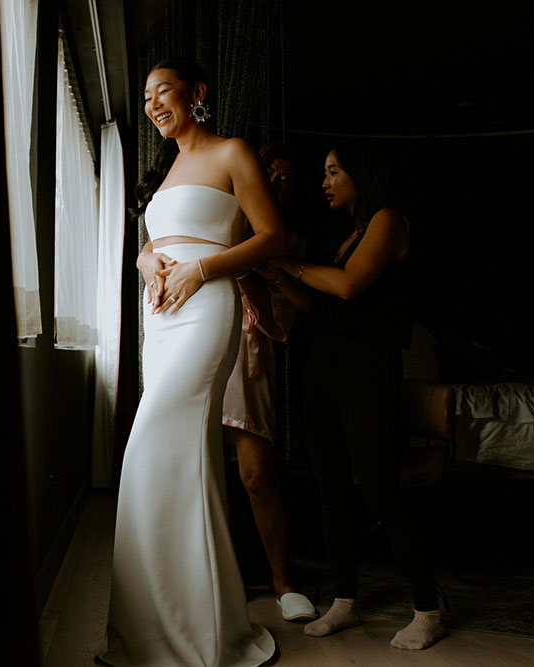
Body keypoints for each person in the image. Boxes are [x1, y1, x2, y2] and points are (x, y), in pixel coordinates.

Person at [99, 57, 287, 667]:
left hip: (206, 311)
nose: (153, 104)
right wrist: (146, 260)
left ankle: (193, 635)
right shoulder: (169, 170)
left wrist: (202, 268)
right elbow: (159, 240)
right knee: (173, 462)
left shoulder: (233, 152)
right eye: (147, 96)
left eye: (164, 92)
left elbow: (270, 237)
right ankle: (166, 626)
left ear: (196, 93)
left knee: (152, 447)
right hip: (162, 321)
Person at [263, 141, 447, 650]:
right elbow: (317, 309)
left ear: (361, 174)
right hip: (324, 366)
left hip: (368, 369)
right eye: (324, 172)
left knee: (381, 489)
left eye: (333, 171)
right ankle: (345, 601)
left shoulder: (388, 220)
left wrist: (289, 263)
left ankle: (427, 610)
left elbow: (347, 287)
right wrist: (273, 273)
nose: (323, 182)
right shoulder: (346, 234)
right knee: (330, 488)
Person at [218, 143, 318, 622]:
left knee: (255, 473)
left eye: (286, 179)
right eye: (269, 174)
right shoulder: (222, 217)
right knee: (193, 465)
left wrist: (267, 273)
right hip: (197, 338)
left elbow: (287, 321)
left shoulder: (289, 242)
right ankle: (206, 576)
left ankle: (284, 584)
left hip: (249, 351)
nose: (276, 183)